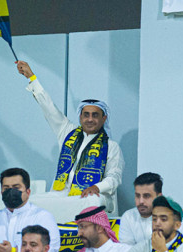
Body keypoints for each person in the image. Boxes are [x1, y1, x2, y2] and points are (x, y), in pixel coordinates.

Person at [15, 60, 124, 214]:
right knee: (29, 202)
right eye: (86, 115)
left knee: (93, 202)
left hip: (91, 195)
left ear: (103, 119)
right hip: (62, 195)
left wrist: (96, 187)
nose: (90, 119)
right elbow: (49, 108)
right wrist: (32, 78)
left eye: (95, 115)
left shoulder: (111, 147)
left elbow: (115, 177)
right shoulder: (67, 132)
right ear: (80, 117)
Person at [119, 172, 163, 245]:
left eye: (147, 196)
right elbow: (126, 249)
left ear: (159, 197)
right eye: (137, 196)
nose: (141, 201)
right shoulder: (128, 216)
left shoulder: (172, 218)